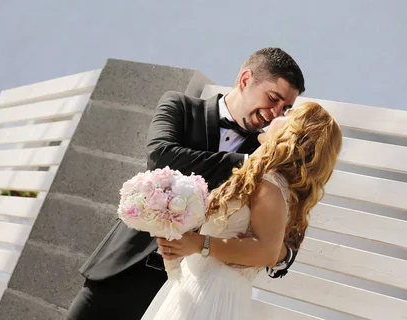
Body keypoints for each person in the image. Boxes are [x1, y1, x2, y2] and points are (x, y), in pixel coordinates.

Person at [67, 47, 306, 320]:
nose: (276, 113)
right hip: (121, 270)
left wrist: (275, 252)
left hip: (187, 295)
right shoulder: (180, 106)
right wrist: (248, 162)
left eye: (285, 108)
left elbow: (284, 232)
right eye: (273, 98)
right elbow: (161, 157)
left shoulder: (268, 160)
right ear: (245, 79)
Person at [142, 101, 343, 320]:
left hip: (213, 292)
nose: (276, 116)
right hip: (199, 281)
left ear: (295, 133)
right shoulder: (264, 180)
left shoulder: (270, 183)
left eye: (289, 113)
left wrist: (199, 243)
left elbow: (268, 252)